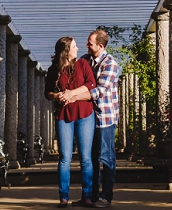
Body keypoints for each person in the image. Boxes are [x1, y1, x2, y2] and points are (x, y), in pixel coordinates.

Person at [58, 28, 120, 208]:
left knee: (107, 158)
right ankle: (92, 196)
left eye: (90, 43)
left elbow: (98, 91)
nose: (86, 45)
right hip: (89, 117)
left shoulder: (110, 64)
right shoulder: (85, 60)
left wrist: (72, 96)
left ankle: (106, 197)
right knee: (91, 158)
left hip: (105, 118)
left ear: (100, 46)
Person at [45, 36, 97, 208]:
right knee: (64, 158)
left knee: (85, 158)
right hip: (63, 115)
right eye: (74, 46)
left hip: (84, 114)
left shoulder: (83, 64)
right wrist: (57, 95)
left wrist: (71, 94)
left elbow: (91, 84)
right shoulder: (54, 69)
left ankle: (87, 196)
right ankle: (64, 197)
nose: (77, 48)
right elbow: (48, 92)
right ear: (66, 50)